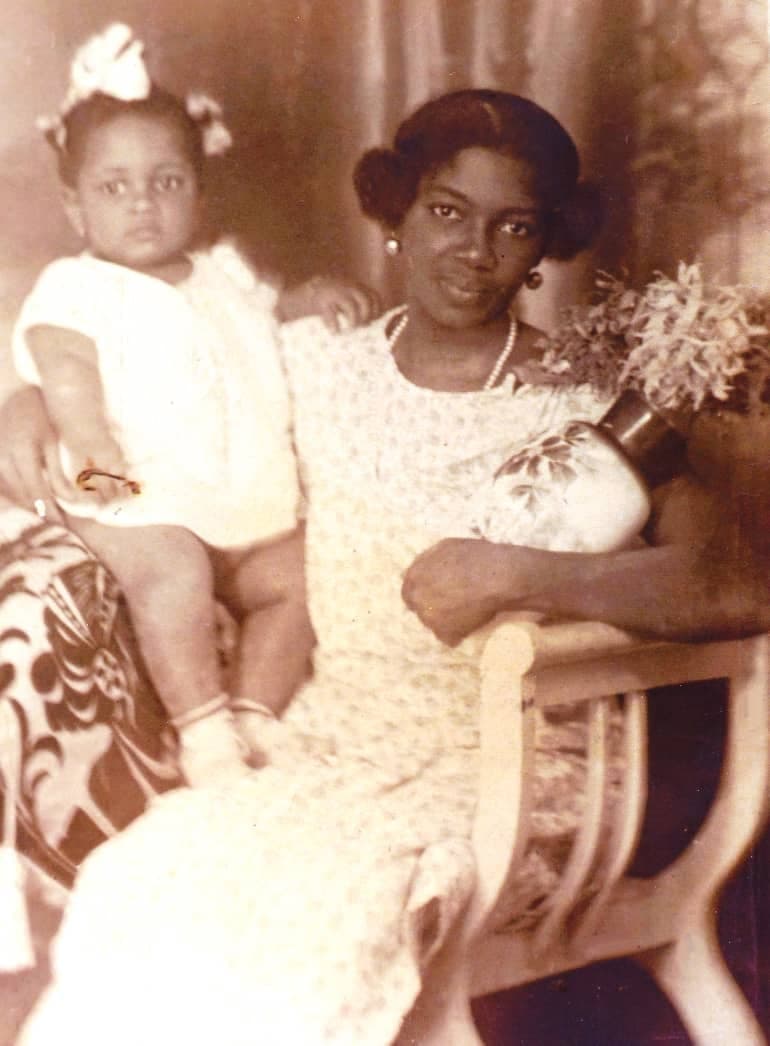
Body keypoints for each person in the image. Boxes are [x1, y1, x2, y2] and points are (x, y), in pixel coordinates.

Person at [2, 87, 769, 1044]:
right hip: (322, 743)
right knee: (144, 884)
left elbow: (740, 579)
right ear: (399, 215)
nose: (473, 249)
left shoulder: (583, 404)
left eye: (513, 226)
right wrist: (27, 401)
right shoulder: (312, 363)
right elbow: (148, 361)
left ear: (543, 251)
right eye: (446, 211)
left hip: (511, 770)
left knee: (313, 938)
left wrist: (521, 574)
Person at [11, 24, 376, 787]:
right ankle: (204, 731)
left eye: (166, 181)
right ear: (76, 207)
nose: (142, 204)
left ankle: (256, 717)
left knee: (302, 577)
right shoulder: (79, 287)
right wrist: (92, 447)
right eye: (114, 188)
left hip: (241, 496)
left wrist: (307, 297)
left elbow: (270, 311)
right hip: (125, 487)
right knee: (171, 569)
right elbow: (66, 368)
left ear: (198, 192)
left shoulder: (225, 271)